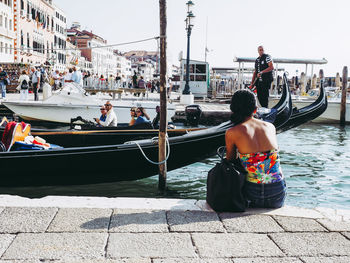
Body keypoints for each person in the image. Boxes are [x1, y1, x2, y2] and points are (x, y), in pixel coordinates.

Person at [225, 89, 286, 208]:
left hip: (252, 192)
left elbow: (230, 160)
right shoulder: (270, 126)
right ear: (255, 109)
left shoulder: (231, 132)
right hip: (277, 190)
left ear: (233, 109)